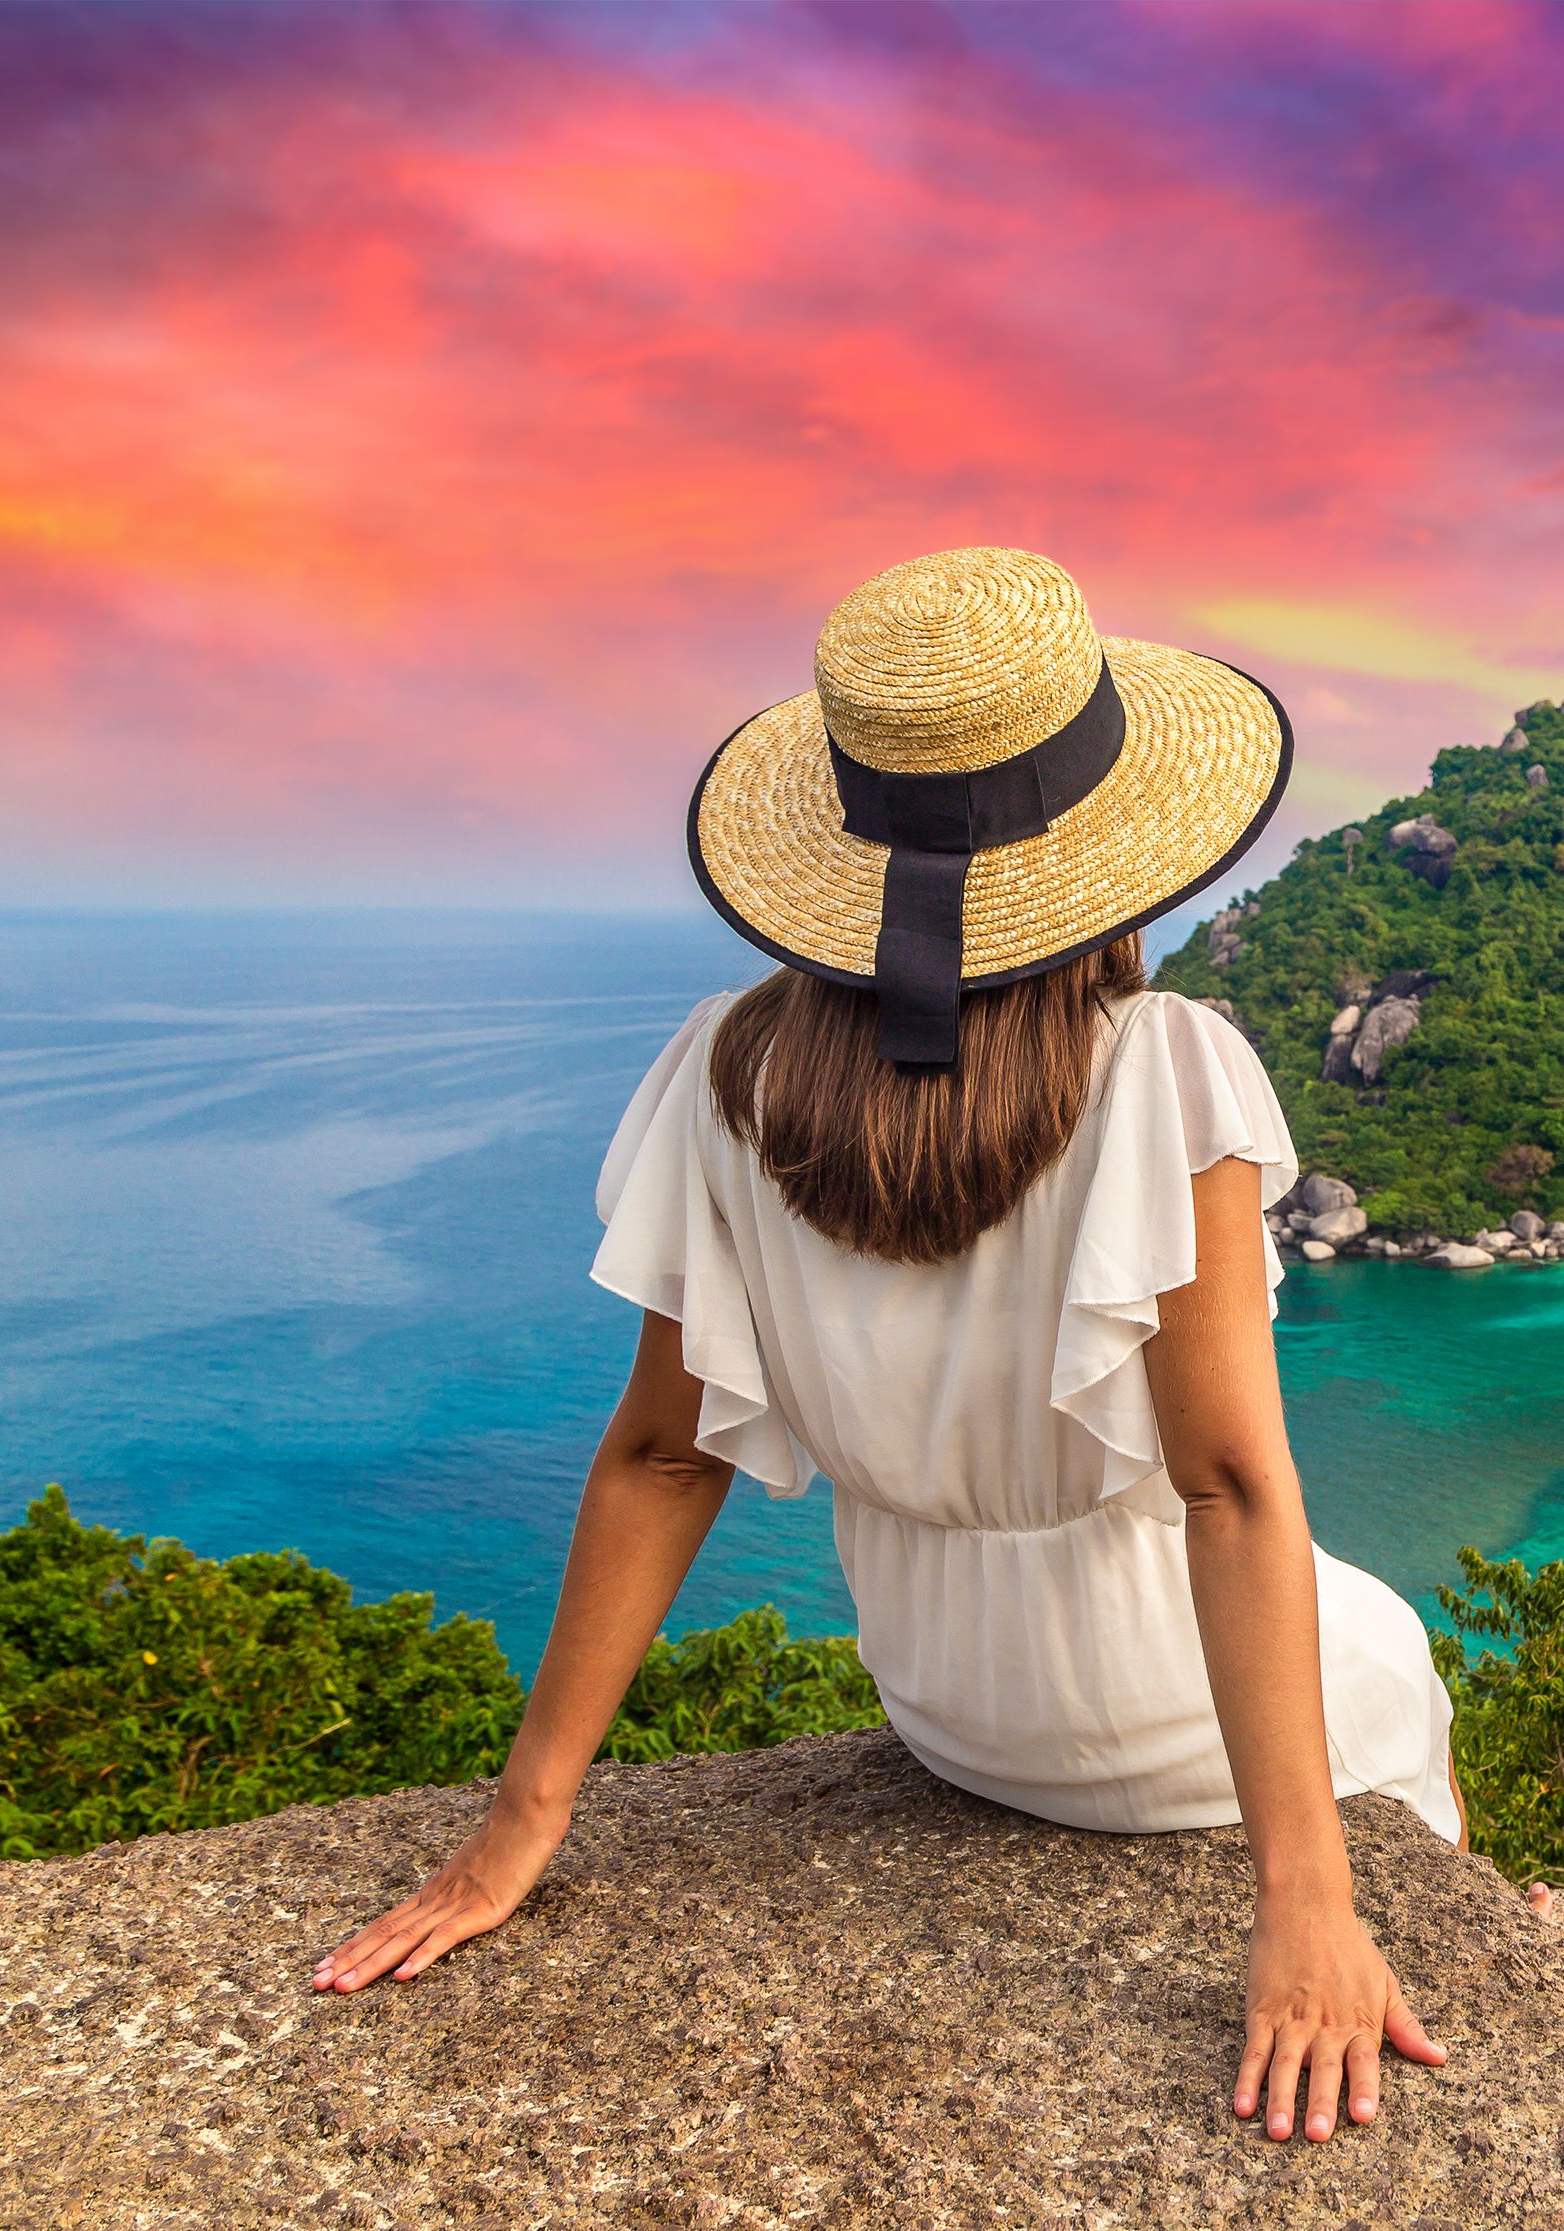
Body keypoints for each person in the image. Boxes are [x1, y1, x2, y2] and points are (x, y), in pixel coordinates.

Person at [313, 548, 1463, 2147]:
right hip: (1160, 1718)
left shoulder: (726, 1072)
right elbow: (1229, 1492)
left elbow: (659, 1452)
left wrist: (523, 1823)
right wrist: (1307, 1905)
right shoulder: (1166, 1070)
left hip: (942, 1704)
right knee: (1393, 1648)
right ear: (1110, 840)